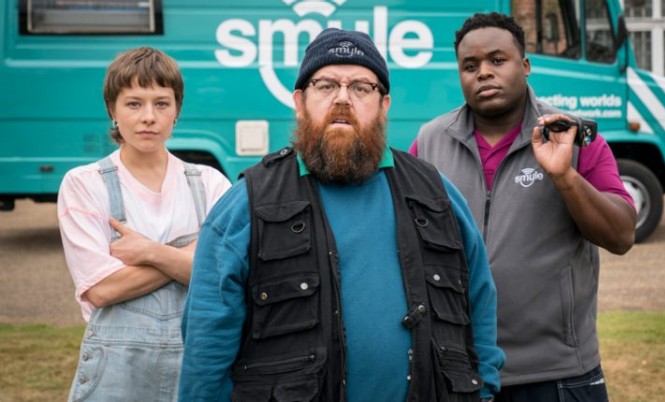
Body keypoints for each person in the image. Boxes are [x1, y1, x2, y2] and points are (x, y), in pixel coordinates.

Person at [179, 28, 505, 402]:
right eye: (326, 85)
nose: (342, 98)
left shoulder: (436, 195)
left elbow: (480, 302)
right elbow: (207, 342)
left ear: (384, 105)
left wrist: (484, 392)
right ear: (300, 101)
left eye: (361, 88)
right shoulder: (248, 205)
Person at [410, 12, 636, 402]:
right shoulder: (430, 142)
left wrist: (564, 176)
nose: (484, 73)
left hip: (558, 373)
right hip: (461, 369)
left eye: (497, 60)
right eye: (470, 66)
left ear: (526, 65)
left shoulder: (572, 137)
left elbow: (621, 235)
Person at [57, 47, 231, 401]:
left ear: (176, 110)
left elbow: (229, 277)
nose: (148, 117)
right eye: (134, 104)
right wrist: (192, 255)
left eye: (161, 104)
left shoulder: (211, 184)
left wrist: (149, 252)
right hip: (117, 372)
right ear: (113, 110)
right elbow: (102, 289)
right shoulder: (84, 184)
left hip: (197, 365)